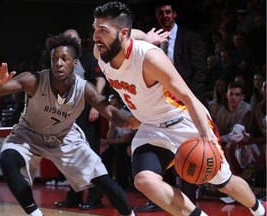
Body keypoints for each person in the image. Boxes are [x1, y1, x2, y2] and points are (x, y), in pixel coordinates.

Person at [91, 1, 266, 216]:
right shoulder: (101, 51)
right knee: (144, 181)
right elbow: (131, 32)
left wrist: (206, 139)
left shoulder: (150, 59)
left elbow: (190, 98)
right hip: (152, 128)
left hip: (183, 121)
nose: (95, 36)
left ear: (122, 34)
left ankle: (259, 210)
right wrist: (147, 36)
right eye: (95, 29)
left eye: (102, 31)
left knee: (224, 183)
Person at [0, 34, 138, 216]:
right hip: (29, 135)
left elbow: (110, 112)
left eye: (64, 59)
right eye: (54, 59)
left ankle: (129, 215)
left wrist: (129, 120)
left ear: (75, 63)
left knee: (104, 181)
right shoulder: (34, 80)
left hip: (64, 138)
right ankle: (35, 213)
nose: (59, 63)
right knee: (7, 158)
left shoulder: (84, 88)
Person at [136, 0, 210, 211]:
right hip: (159, 105)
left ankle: (189, 203)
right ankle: (160, 199)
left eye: (168, 12)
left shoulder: (190, 38)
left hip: (187, 104)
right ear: (157, 16)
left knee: (190, 154)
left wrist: (186, 100)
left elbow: (200, 72)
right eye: (161, 13)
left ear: (175, 14)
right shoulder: (150, 42)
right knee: (159, 149)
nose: (165, 16)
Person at [54, 28, 107, 210]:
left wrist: (96, 105)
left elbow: (100, 80)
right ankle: (74, 195)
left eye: (74, 39)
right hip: (68, 114)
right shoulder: (62, 61)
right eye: (68, 39)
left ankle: (95, 197)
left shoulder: (89, 58)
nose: (71, 42)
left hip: (86, 111)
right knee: (71, 156)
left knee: (90, 155)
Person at [100, 93, 136, 189]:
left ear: (120, 105)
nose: (114, 108)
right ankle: (108, 181)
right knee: (106, 152)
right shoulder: (112, 117)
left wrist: (107, 142)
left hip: (131, 142)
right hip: (120, 141)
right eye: (111, 106)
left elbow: (126, 138)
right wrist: (111, 129)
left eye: (115, 105)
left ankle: (124, 183)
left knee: (121, 149)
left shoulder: (125, 116)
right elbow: (110, 137)